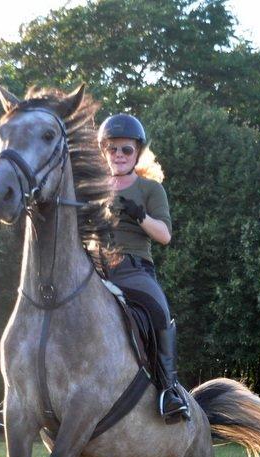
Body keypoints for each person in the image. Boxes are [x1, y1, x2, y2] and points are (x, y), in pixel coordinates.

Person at [98, 113, 190, 422]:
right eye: (113, 149)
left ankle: (168, 390)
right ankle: (27, 392)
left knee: (159, 310)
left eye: (126, 149)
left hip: (133, 270)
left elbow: (164, 236)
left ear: (137, 152)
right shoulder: (92, 188)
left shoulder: (151, 190)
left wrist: (140, 216)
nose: (119, 155)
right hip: (93, 267)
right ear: (104, 152)